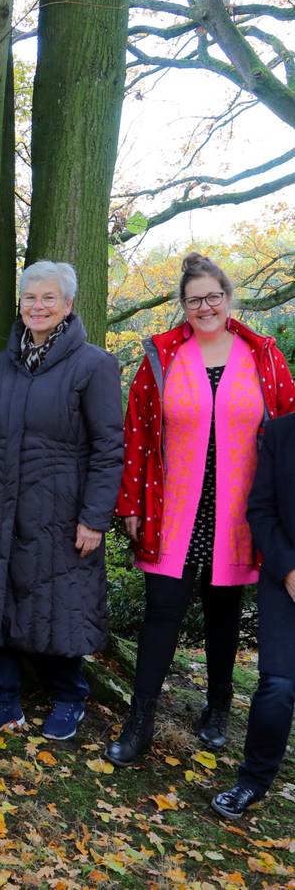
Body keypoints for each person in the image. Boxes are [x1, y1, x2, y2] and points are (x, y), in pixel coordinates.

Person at [106, 253, 295, 767]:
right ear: (183, 306)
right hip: (174, 507)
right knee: (161, 612)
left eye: (214, 296)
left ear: (229, 298)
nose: (206, 306)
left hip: (240, 510)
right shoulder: (162, 358)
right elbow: (138, 434)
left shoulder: (264, 357)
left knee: (223, 614)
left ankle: (216, 710)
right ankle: (139, 721)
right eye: (195, 300)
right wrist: (131, 502)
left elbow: (285, 435)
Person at [0, 261, 123, 743]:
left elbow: (109, 448)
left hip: (63, 513)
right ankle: (3, 703)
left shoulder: (94, 365)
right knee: (1, 602)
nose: (38, 306)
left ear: (69, 305)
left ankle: (70, 698)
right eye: (30, 297)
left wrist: (95, 518)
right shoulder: (4, 364)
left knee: (60, 607)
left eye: (48, 298)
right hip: (9, 508)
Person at [211, 411, 295, 818]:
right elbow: (261, 510)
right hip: (287, 576)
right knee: (278, 685)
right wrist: (289, 570)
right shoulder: (281, 432)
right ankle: (252, 782)